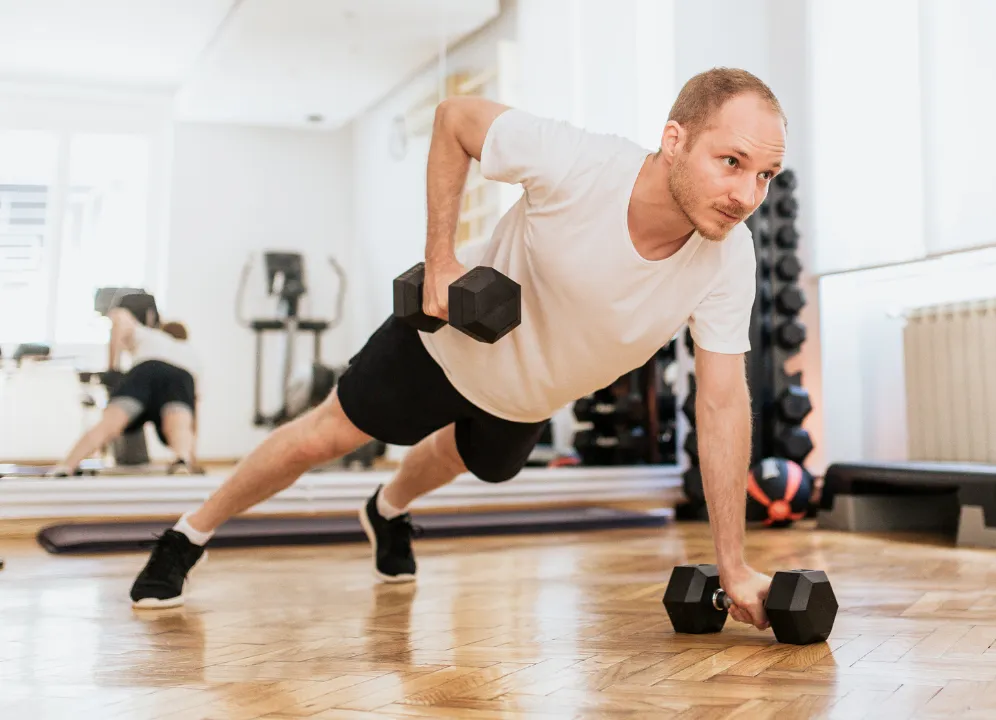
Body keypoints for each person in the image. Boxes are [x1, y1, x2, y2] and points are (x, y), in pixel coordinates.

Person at [128, 66, 788, 630]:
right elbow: (454, 119)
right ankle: (188, 535)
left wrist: (733, 564)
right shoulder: (581, 164)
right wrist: (439, 259)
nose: (746, 196)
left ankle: (385, 509)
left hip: (528, 397)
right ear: (674, 140)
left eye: (765, 175)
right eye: (731, 162)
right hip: (446, 348)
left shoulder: (730, 258)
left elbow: (724, 403)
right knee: (322, 436)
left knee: (467, 457)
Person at [50, 308, 202, 477]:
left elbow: (119, 316)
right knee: (179, 427)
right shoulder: (193, 356)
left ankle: (66, 466)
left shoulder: (151, 335)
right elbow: (194, 414)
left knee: (108, 424)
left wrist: (112, 367)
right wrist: (193, 459)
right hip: (181, 377)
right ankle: (182, 462)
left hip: (147, 370)